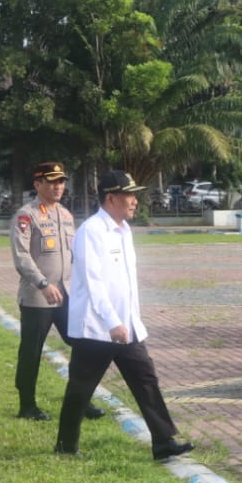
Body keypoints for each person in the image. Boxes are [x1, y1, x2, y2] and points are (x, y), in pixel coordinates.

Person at [54, 170, 192, 460]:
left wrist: (127, 320)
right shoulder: (91, 231)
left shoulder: (123, 230)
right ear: (111, 198)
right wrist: (112, 321)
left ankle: (163, 441)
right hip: (97, 328)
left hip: (126, 326)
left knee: (146, 379)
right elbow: (93, 282)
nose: (134, 201)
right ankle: (66, 446)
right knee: (81, 387)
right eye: (129, 195)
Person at [10, 162, 106, 423]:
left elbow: (75, 254)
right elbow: (21, 256)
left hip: (66, 295)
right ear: (37, 184)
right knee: (31, 352)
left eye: (61, 181)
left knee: (82, 345)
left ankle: (80, 400)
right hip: (37, 296)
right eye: (52, 181)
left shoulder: (65, 215)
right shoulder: (26, 215)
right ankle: (27, 405)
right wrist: (43, 283)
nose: (58, 186)